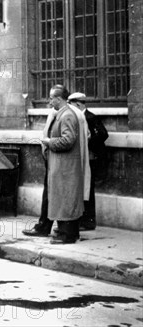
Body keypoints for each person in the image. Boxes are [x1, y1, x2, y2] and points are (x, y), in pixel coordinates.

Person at [40, 85, 89, 244]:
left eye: (51, 98)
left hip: (65, 167)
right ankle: (64, 231)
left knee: (65, 199)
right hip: (62, 165)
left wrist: (49, 142)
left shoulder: (66, 115)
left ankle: (67, 235)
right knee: (63, 199)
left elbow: (68, 140)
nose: (49, 101)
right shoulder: (64, 113)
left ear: (59, 99)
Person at [68, 92, 108, 231]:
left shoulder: (90, 117)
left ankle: (89, 221)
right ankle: (82, 220)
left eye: (71, 105)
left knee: (88, 191)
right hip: (82, 159)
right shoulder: (79, 117)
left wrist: (90, 141)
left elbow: (103, 134)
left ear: (78, 104)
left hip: (91, 160)